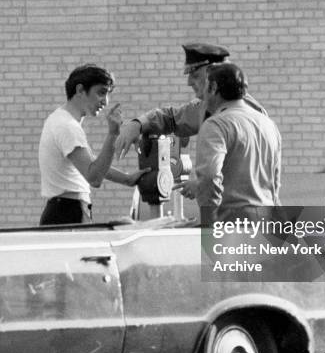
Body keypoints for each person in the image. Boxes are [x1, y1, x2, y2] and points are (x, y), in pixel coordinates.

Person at [115, 43, 267, 161]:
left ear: (213, 75)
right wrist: (137, 124)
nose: (189, 82)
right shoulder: (205, 107)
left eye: (194, 75)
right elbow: (171, 118)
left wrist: (203, 184)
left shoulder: (250, 114)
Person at [38, 64, 148, 225]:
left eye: (108, 94)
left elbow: (91, 163)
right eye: (101, 92)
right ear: (80, 90)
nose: (106, 101)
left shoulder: (60, 120)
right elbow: (94, 177)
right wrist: (113, 133)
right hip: (69, 213)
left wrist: (127, 179)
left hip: (63, 210)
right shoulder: (67, 126)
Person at [189, 62, 281, 225]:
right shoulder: (268, 125)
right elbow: (274, 182)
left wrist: (209, 222)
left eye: (206, 87)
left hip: (233, 224)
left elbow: (209, 177)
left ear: (214, 87)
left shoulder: (216, 125)